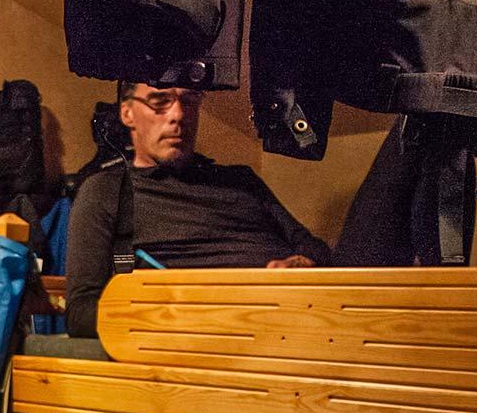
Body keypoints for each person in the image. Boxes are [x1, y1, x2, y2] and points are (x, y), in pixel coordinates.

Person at [66, 81, 331, 337]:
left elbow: (315, 247)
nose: (179, 115)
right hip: (217, 341)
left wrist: (301, 263)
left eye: (190, 101)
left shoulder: (242, 180)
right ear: (127, 113)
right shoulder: (107, 191)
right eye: (160, 102)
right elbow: (81, 314)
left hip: (307, 314)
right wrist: (195, 315)